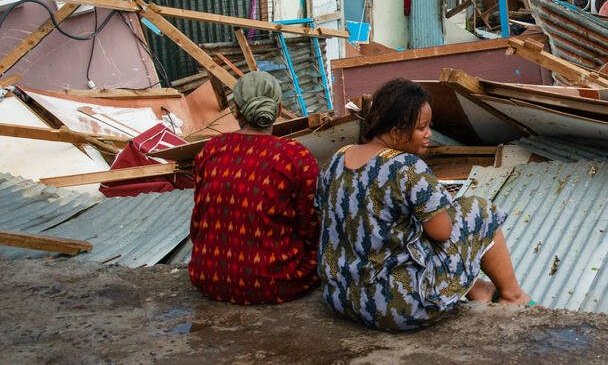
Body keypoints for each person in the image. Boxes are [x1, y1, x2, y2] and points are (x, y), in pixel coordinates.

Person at [316, 78, 530, 331]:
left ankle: (478, 289)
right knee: (479, 211)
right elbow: (442, 232)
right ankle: (513, 296)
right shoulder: (406, 167)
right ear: (396, 132)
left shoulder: (337, 159)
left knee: (409, 233)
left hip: (343, 298)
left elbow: (326, 221)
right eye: (422, 128)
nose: (429, 134)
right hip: (396, 308)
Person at [188, 71, 320, 305]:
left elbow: (198, 218)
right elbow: (310, 227)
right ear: (279, 109)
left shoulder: (211, 148)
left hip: (207, 277)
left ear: (236, 110)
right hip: (274, 283)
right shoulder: (296, 156)